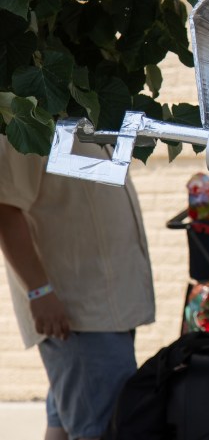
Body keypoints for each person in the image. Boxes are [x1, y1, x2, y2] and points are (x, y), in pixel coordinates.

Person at [0, 136, 154, 440]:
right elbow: (5, 209)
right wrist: (38, 291)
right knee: (101, 430)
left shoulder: (81, 105)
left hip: (104, 310)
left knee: (66, 426)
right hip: (77, 316)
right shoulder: (29, 119)